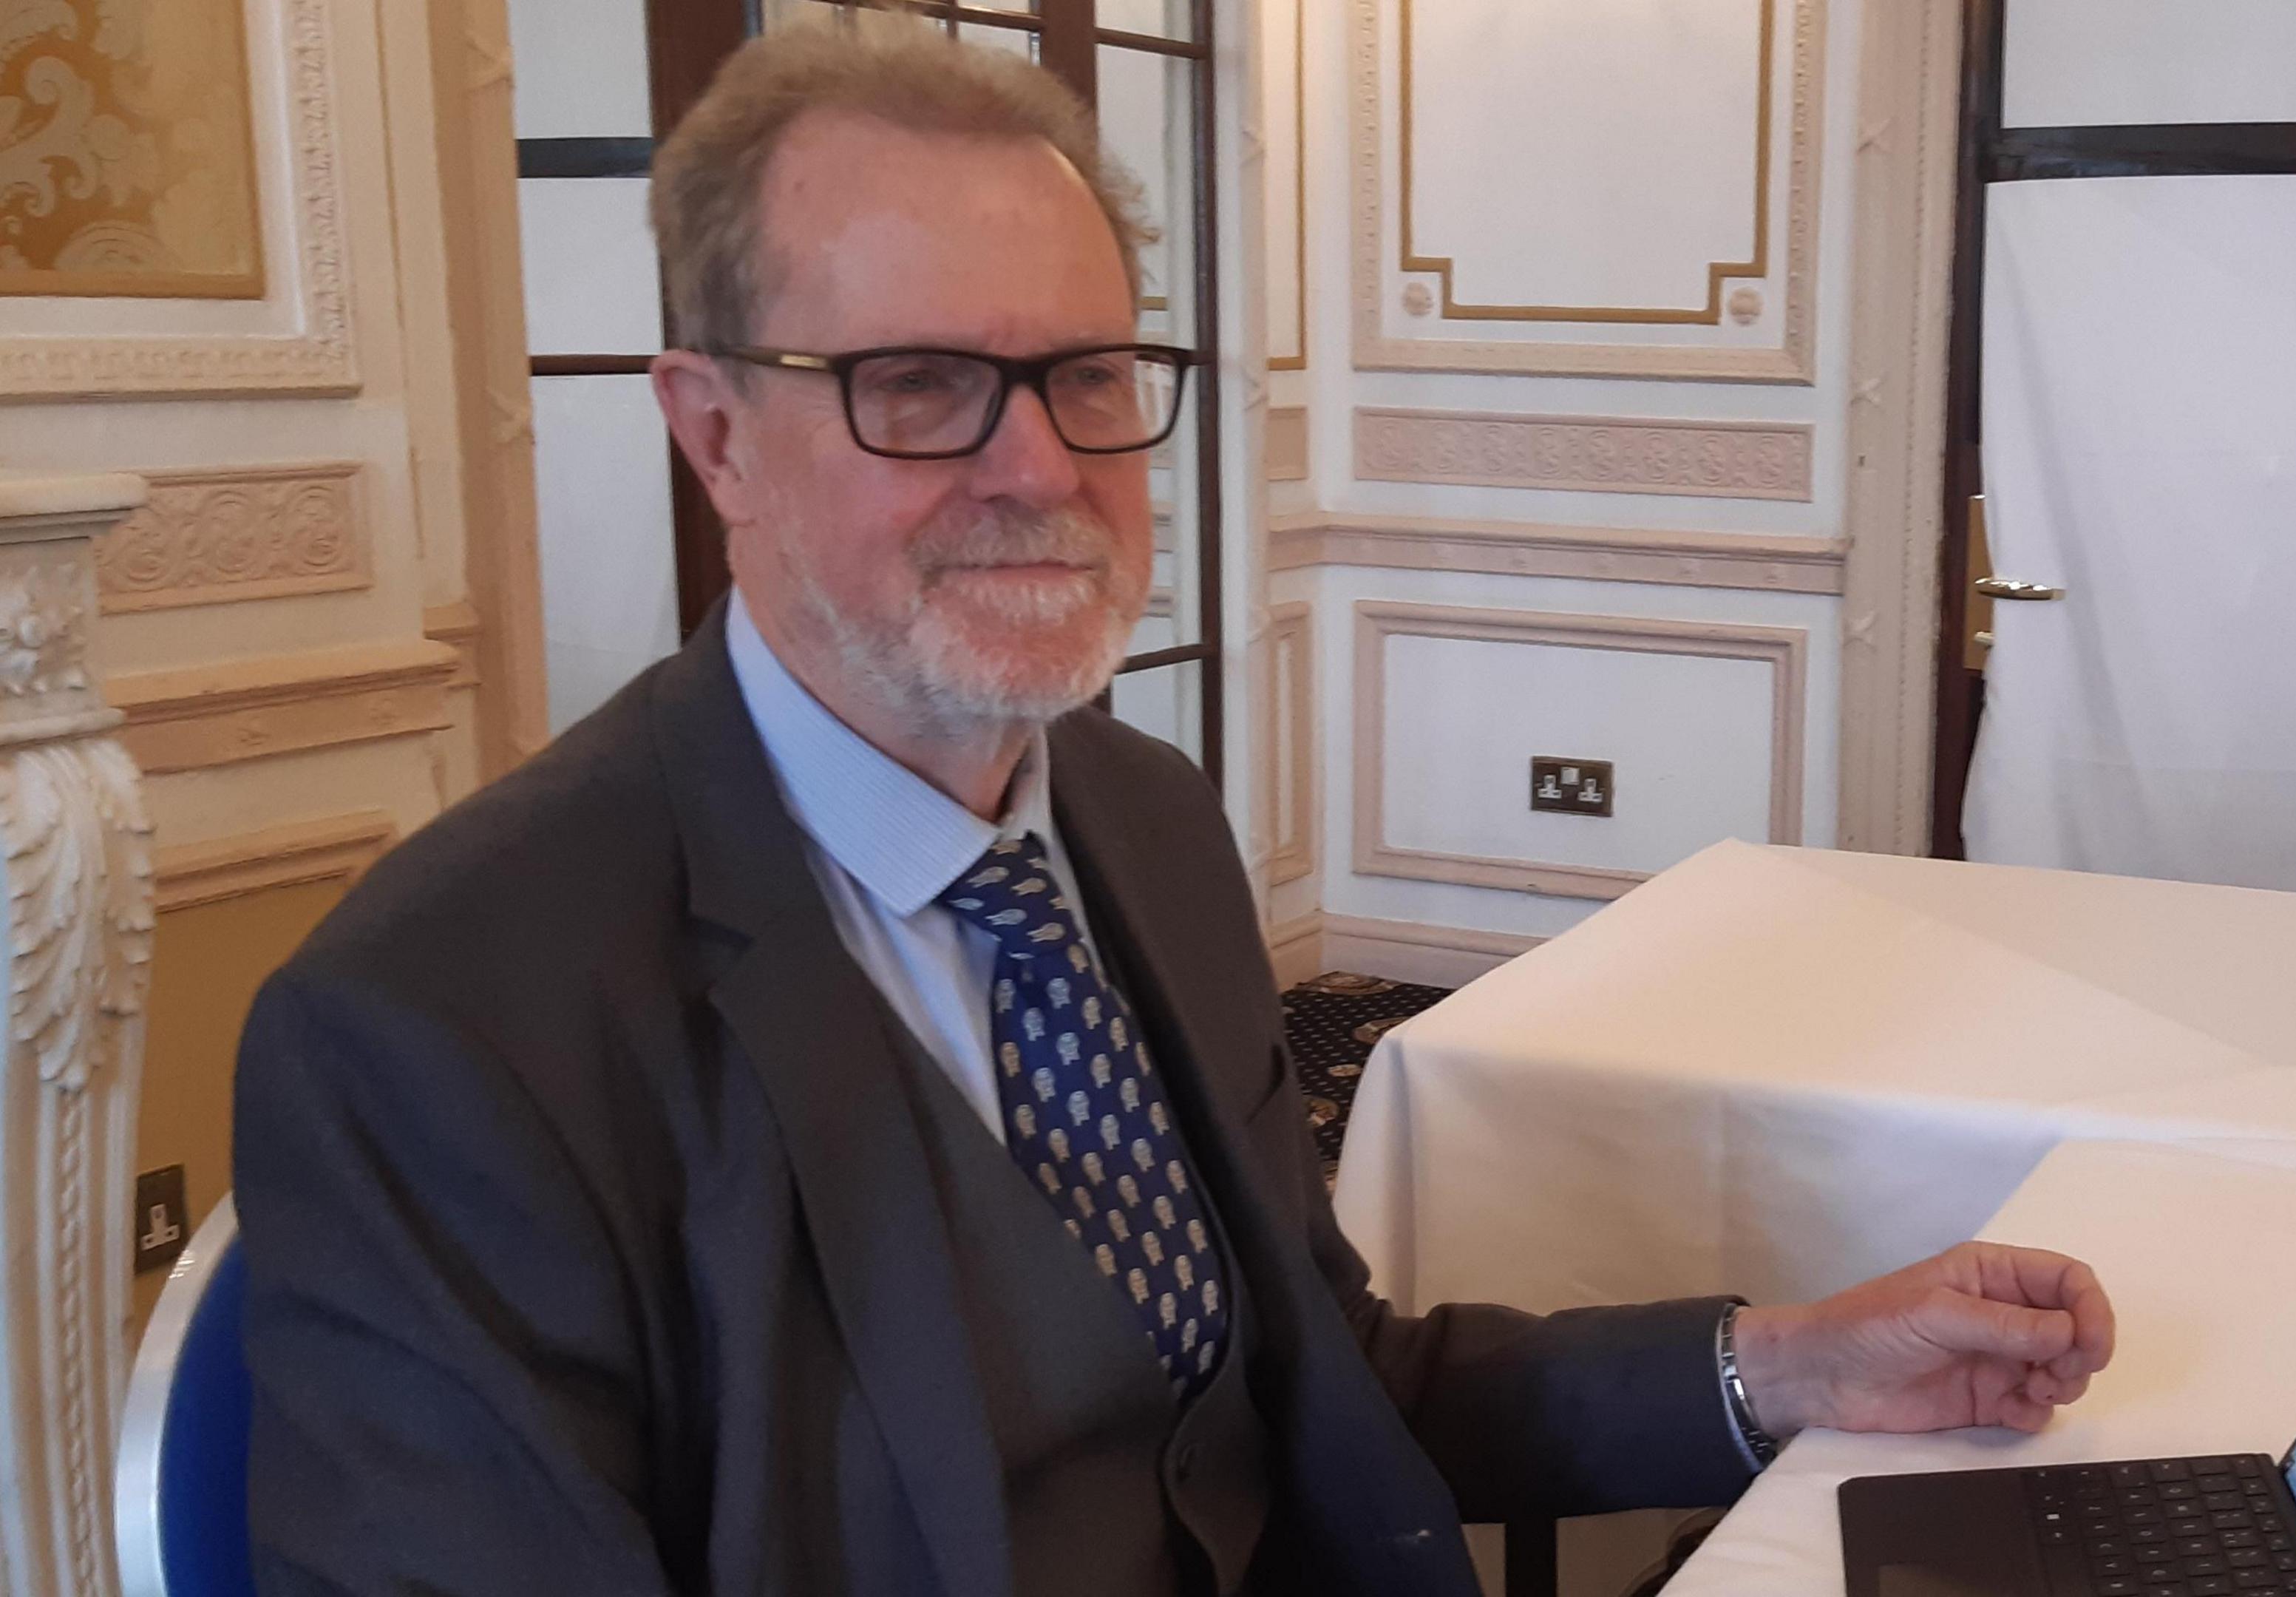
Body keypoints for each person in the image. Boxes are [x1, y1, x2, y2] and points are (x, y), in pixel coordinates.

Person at [232, 16, 2114, 1596]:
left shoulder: (1138, 821)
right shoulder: (438, 1030)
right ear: (715, 432)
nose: (1039, 467)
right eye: (919, 386)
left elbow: (1328, 1379)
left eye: (1089, 373)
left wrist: (1793, 1365)